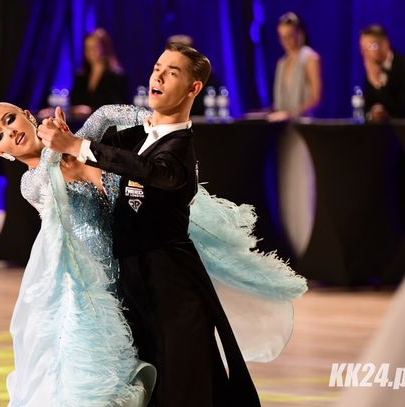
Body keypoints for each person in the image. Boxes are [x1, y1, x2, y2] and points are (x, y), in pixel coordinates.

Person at [0, 99, 307, 405]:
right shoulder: (31, 182)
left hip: (138, 269)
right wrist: (59, 144)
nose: (10, 132)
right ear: (1, 154)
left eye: (10, 120)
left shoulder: (83, 139)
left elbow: (108, 114)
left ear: (28, 116)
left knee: (174, 360)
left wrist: (151, 123)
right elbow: (46, 176)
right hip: (95, 296)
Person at [39, 42, 302, 406]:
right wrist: (54, 143)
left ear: (194, 89)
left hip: (173, 289)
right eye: (157, 67)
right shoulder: (133, 138)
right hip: (133, 283)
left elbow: (149, 171)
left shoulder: (179, 151)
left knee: (185, 383)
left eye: (172, 72)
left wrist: (79, 146)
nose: (158, 76)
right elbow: (100, 162)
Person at [268, 12, 322, 121]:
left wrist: (290, 114)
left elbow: (316, 99)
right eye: (282, 37)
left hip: (303, 126)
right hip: (282, 127)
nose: (285, 41)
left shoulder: (310, 58)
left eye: (289, 36)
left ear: (300, 33)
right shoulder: (281, 62)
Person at [70, 28, 129, 118]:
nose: (91, 52)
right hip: (80, 125)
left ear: (104, 48)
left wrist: (91, 110)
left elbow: (119, 107)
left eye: (95, 47)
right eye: (87, 48)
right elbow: (73, 102)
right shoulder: (81, 76)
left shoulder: (116, 76)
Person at [359, 24, 405, 122]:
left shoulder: (401, 66)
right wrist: (372, 114)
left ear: (385, 45)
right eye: (363, 48)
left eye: (371, 46)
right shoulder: (369, 66)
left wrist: (377, 83)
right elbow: (365, 108)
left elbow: (401, 109)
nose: (364, 53)